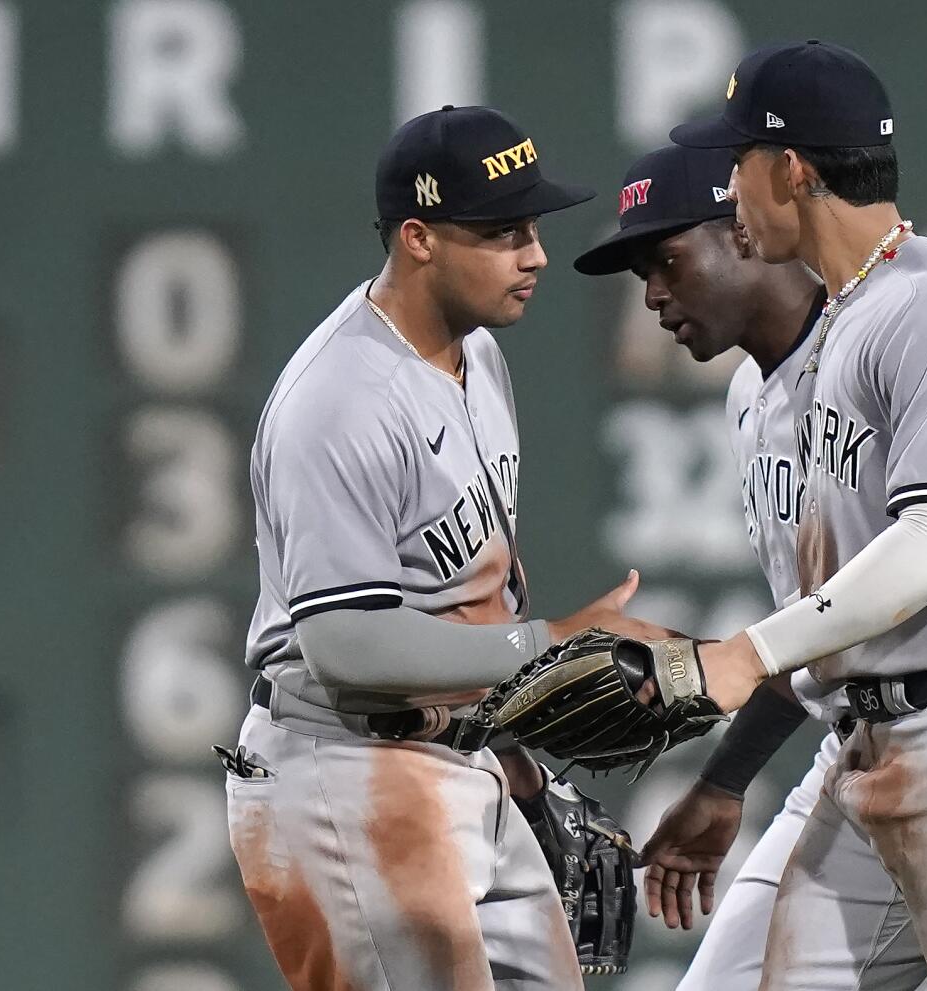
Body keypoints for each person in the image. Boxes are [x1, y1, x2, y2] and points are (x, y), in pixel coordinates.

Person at [575, 142, 927, 990]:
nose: (653, 292)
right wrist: (725, 780)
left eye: (668, 259)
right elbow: (824, 619)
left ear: (741, 227)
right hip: (861, 748)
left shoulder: (907, 315)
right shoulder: (748, 401)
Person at [223, 104, 670, 991]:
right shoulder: (340, 399)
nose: (535, 254)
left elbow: (465, 594)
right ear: (419, 238)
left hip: (461, 757)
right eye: (503, 232)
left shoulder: (478, 357)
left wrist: (513, 756)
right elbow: (344, 641)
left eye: (533, 228)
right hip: (347, 768)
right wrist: (544, 648)